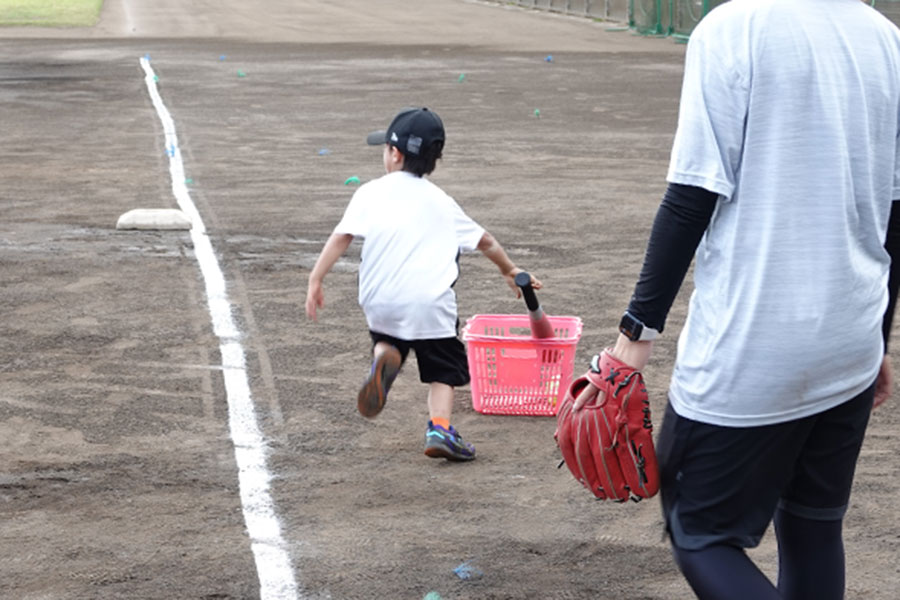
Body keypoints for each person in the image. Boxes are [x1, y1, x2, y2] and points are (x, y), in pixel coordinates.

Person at [573, 1, 900, 598]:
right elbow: (895, 215)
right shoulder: (885, 37)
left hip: (754, 346)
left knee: (698, 530)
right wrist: (877, 338)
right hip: (848, 341)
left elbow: (692, 195)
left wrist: (629, 344)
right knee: (812, 522)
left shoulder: (735, 26)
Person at [306, 107, 540, 462]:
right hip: (430, 305)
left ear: (395, 154)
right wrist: (509, 270)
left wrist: (316, 278)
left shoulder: (370, 193)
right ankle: (440, 428)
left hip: (380, 301)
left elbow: (342, 237)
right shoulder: (442, 202)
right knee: (442, 369)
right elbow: (486, 241)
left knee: (390, 336)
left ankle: (385, 353)